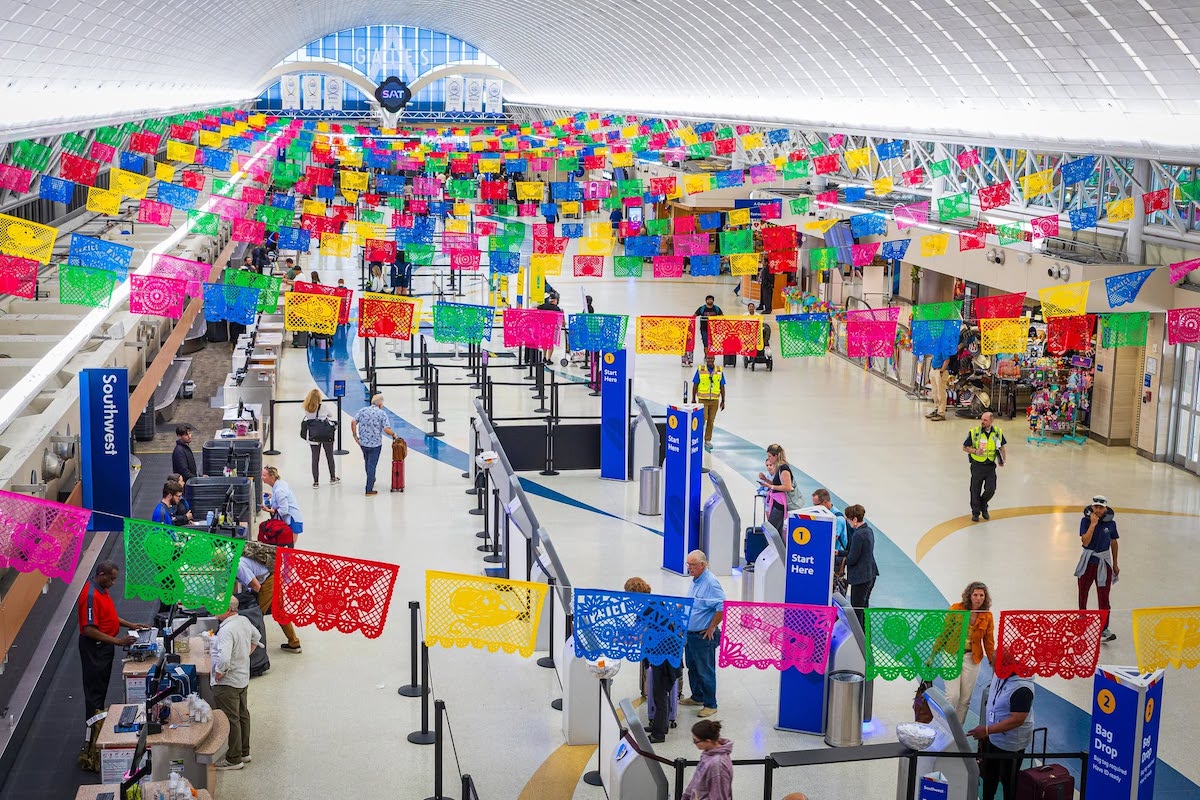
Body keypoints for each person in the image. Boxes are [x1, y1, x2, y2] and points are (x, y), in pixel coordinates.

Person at [77, 561, 147, 771]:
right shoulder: (90, 596)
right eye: (112, 578)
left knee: (100, 692)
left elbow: (108, 617)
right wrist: (117, 641)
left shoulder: (102, 591)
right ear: (101, 574)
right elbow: (89, 629)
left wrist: (130, 625)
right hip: (95, 649)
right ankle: (90, 749)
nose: (114, 582)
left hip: (104, 647)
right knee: (95, 696)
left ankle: (96, 738)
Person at [967, 661, 1035, 800]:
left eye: (994, 663)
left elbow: (1017, 719)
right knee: (989, 776)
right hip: (994, 737)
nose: (991, 666)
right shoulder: (1000, 674)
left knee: (1008, 781)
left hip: (1012, 744)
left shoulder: (1023, 689)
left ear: (1008, 665)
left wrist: (987, 729)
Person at [625, 577, 680, 743]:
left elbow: (638, 634)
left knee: (659, 694)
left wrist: (620, 638)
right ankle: (660, 725)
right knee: (659, 693)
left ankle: (659, 734)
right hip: (662, 653)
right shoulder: (654, 603)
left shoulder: (647, 609)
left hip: (662, 656)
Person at [211, 596, 263, 770]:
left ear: (228, 609)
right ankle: (244, 752)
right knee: (242, 715)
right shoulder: (243, 620)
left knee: (231, 718)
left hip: (228, 682)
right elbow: (257, 637)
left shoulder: (226, 630)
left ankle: (233, 759)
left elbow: (224, 658)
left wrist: (219, 673)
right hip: (242, 677)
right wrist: (244, 655)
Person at [940, 581, 995, 724]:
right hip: (951, 654)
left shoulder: (987, 616)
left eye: (981, 595)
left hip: (972, 657)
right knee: (952, 696)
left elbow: (989, 641)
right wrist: (933, 655)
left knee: (965, 700)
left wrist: (992, 661)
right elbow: (944, 632)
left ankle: (957, 734)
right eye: (975, 594)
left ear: (985, 597)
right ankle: (945, 726)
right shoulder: (956, 609)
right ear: (969, 596)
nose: (978, 598)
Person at [680, 550, 724, 718]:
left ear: (702, 565)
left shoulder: (711, 583)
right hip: (690, 634)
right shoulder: (696, 580)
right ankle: (697, 696)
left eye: (692, 565)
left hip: (703, 636)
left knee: (705, 669)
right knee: (692, 666)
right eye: (688, 564)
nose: (689, 568)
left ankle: (710, 704)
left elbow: (721, 607)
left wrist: (712, 627)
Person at [236, 554, 302, 654]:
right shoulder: (237, 558)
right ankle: (294, 643)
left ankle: (252, 650)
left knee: (255, 614)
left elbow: (256, 587)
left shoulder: (238, 566)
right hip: (274, 575)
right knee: (279, 612)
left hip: (268, 582)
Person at [1076, 495, 1119, 643]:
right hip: (1088, 561)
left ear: (1106, 508)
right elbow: (1085, 541)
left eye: (1101, 507)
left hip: (1103, 563)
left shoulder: (1111, 524)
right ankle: (1081, 622)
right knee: (1083, 592)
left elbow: (1114, 543)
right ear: (1092, 507)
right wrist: (1093, 525)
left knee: (1104, 596)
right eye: (1096, 507)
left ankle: (1104, 629)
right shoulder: (1085, 521)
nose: (1098, 510)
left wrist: (1115, 564)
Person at [962, 412, 1007, 521]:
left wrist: (1002, 460)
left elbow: (1002, 448)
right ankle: (976, 512)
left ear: (991, 421)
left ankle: (983, 504)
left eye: (985, 420)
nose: (982, 422)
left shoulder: (997, 432)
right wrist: (976, 451)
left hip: (990, 466)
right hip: (977, 465)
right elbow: (965, 447)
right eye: (982, 419)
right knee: (975, 490)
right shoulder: (974, 432)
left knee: (991, 489)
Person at [352, 394, 397, 496]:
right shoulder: (382, 413)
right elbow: (386, 429)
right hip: (375, 444)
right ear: (380, 404)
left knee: (367, 462)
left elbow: (353, 421)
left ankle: (371, 478)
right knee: (372, 465)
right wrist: (394, 434)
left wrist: (355, 436)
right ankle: (369, 489)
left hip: (363, 443)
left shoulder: (362, 411)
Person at [844, 504, 879, 629]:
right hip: (870, 574)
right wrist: (840, 553)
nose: (848, 522)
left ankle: (858, 639)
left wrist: (840, 560)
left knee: (857, 610)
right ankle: (865, 637)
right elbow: (858, 552)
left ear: (854, 519)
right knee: (864, 608)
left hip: (860, 578)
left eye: (848, 519)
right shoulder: (868, 530)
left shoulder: (858, 535)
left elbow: (852, 558)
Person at [681, 719, 733, 800]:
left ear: (708, 741)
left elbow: (719, 796)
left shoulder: (718, 765)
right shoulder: (707, 753)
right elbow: (696, 779)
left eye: (695, 741)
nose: (694, 744)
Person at [301, 388, 339, 487]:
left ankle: (316, 482)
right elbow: (330, 415)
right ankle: (332, 477)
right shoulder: (323, 407)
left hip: (313, 436)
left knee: (315, 458)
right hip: (326, 435)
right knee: (329, 456)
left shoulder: (306, 408)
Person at [757, 444, 794, 535]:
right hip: (776, 502)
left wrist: (771, 487)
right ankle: (779, 548)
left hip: (780, 504)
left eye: (770, 456)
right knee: (777, 531)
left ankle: (774, 548)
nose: (769, 459)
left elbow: (788, 487)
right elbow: (778, 483)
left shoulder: (783, 469)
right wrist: (766, 481)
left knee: (770, 531)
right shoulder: (778, 468)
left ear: (776, 456)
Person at [691, 355, 726, 452]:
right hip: (703, 399)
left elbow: (722, 386)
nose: (710, 360)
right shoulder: (700, 370)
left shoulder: (719, 370)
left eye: (712, 358)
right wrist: (693, 398)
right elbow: (695, 384)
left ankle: (707, 439)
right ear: (706, 359)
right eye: (708, 358)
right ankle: (697, 438)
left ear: (714, 359)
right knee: (703, 418)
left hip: (715, 400)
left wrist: (723, 400)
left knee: (711, 420)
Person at [813, 488, 848, 574]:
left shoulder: (838, 519)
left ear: (825, 502)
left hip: (835, 557)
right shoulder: (821, 513)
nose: (814, 508)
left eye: (816, 505)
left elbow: (831, 539)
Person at [261, 466, 303, 537]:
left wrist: (268, 510)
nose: (262, 477)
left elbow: (284, 510)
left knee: (289, 546)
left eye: (264, 475)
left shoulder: (279, 491)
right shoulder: (279, 484)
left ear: (272, 477)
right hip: (290, 518)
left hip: (292, 521)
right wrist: (273, 496)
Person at [926, 353, 950, 421]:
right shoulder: (936, 347)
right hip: (934, 369)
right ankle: (937, 409)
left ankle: (941, 413)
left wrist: (942, 371)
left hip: (940, 370)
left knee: (940, 393)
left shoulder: (944, 347)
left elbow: (947, 360)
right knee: (935, 392)